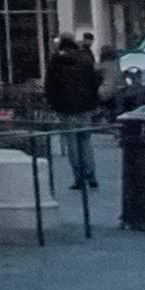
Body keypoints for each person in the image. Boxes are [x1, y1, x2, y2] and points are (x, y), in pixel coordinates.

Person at [41, 29, 102, 194]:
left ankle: (79, 177)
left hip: (66, 107)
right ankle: (91, 175)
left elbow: (50, 85)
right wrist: (93, 101)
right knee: (85, 140)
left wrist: (53, 103)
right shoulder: (85, 58)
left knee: (72, 142)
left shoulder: (56, 61)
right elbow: (95, 81)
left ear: (61, 42)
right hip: (85, 106)